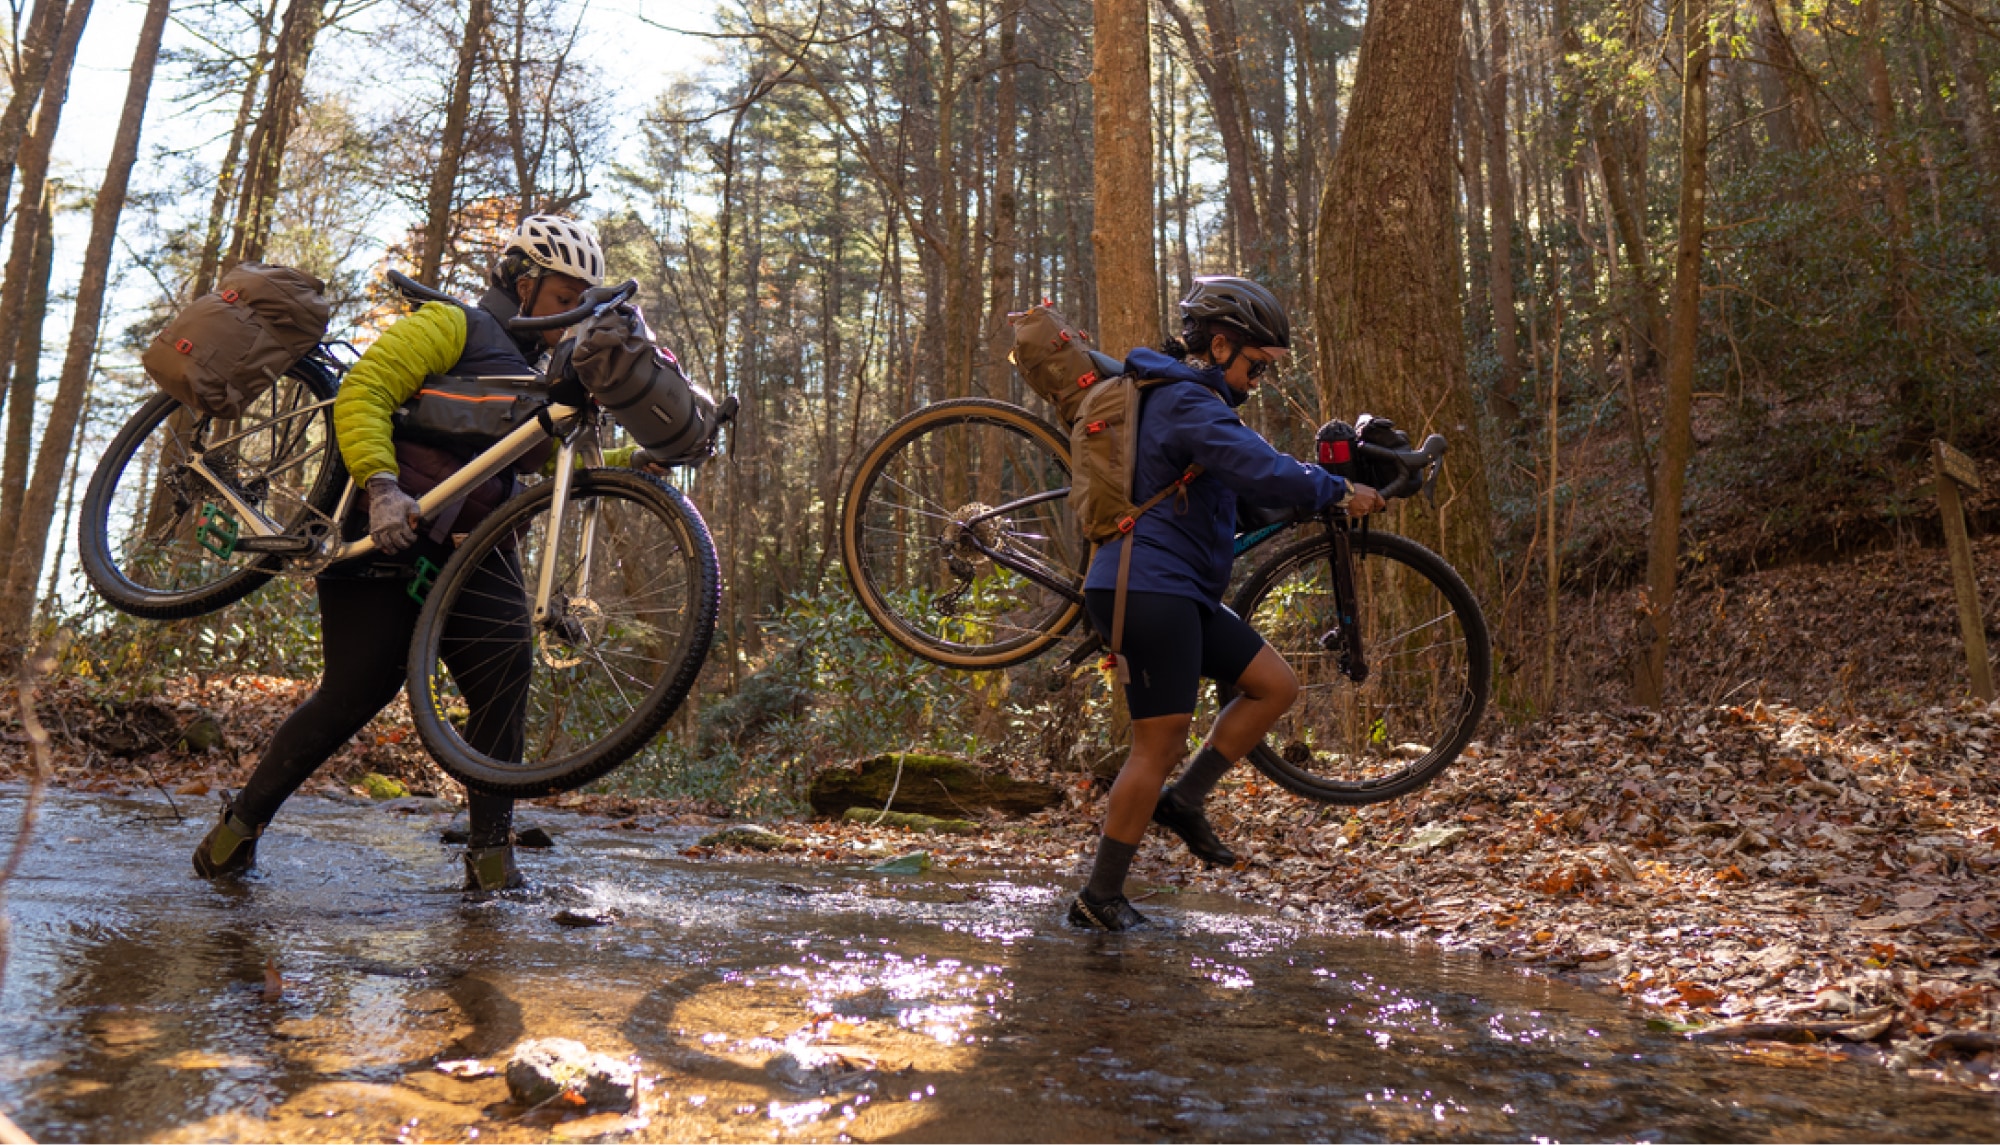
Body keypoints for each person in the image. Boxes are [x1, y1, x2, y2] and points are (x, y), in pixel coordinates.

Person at [193, 214, 612, 893]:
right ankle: (234, 834)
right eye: (564, 300)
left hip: (471, 550)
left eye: (579, 307)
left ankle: (491, 862)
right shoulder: (453, 326)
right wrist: (383, 488)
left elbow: (553, 468)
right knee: (358, 689)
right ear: (522, 282)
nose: (570, 319)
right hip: (383, 528)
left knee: (505, 681)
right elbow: (365, 391)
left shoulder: (541, 380)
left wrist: (635, 466)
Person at [1068, 276, 1388, 932]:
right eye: (1257, 367)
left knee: (1274, 684)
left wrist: (1322, 494)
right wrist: (1330, 489)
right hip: (1145, 586)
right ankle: (1098, 896)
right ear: (1219, 345)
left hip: (1176, 588)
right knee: (1154, 745)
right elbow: (1255, 464)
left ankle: (1185, 800)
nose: (1259, 381)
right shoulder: (1187, 400)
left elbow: (1245, 492)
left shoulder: (1196, 402)